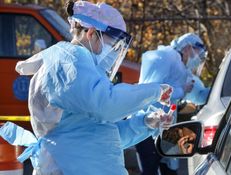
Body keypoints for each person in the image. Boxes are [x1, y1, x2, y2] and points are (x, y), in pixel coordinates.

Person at [0, 1, 173, 174]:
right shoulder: (68, 61)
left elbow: (99, 137)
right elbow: (106, 104)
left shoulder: (84, 69)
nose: (114, 52)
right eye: (114, 45)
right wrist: (154, 91)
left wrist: (145, 123)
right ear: (91, 33)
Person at [136, 33, 208, 175]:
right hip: (148, 126)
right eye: (197, 54)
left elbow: (199, 95)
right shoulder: (164, 57)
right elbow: (151, 91)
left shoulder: (181, 68)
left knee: (170, 170)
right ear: (188, 48)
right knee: (150, 171)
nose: (197, 60)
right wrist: (181, 91)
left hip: (167, 127)